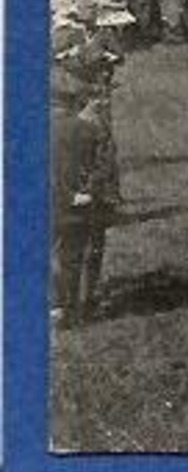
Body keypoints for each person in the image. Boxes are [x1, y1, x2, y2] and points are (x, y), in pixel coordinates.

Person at [52, 70, 119, 326]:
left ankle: (53, 305)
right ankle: (70, 309)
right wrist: (86, 192)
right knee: (72, 256)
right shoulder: (88, 129)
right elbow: (105, 166)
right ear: (75, 102)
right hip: (77, 206)